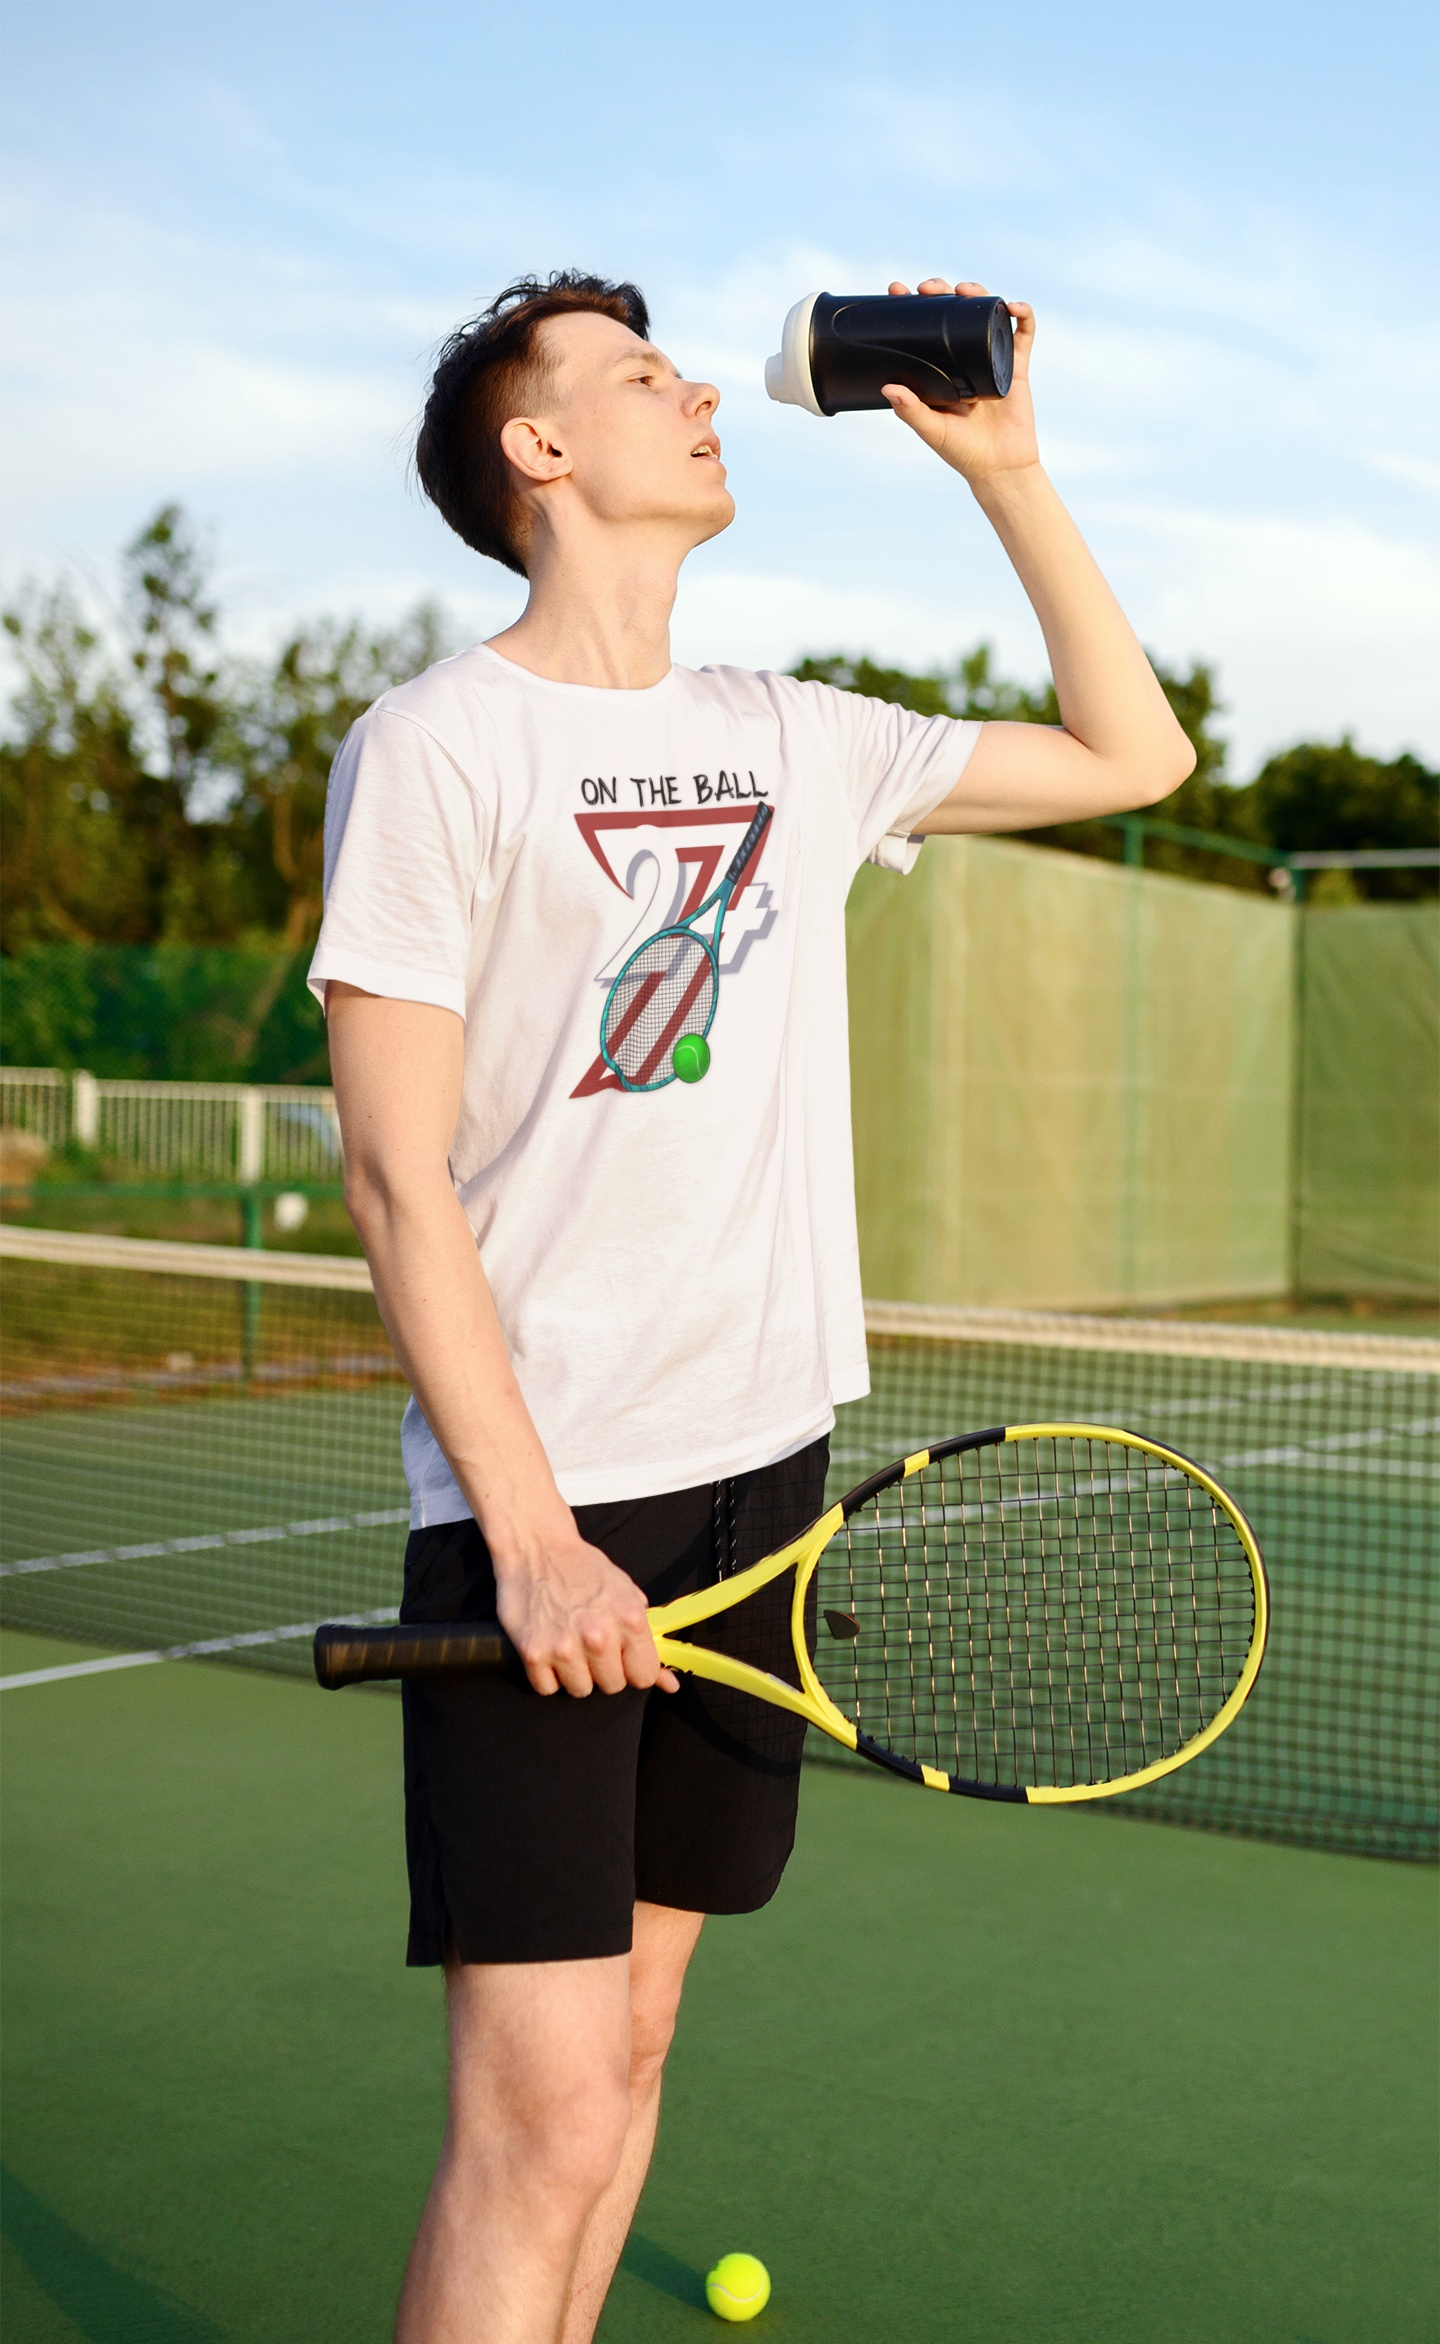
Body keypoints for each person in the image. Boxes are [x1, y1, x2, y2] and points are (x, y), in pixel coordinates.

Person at [309, 268, 1193, 2344]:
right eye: (637, 374)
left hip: (764, 1491)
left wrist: (1009, 472)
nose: (698, 388)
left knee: (625, 2061)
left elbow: (1134, 752)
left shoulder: (793, 735)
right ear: (538, 448)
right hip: (552, 1507)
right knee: (531, 2124)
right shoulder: (434, 746)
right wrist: (532, 1537)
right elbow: (392, 1176)